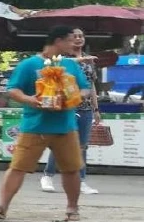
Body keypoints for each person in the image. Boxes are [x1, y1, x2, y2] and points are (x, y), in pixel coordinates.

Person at [0, 26, 90, 222]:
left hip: (65, 126)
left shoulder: (71, 64)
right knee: (18, 167)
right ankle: (2, 207)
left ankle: (72, 209)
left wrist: (73, 97)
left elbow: (84, 89)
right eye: (70, 40)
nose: (74, 43)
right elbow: (13, 89)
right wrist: (31, 100)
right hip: (34, 125)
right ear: (58, 41)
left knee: (71, 169)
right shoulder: (29, 64)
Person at [41, 28, 101, 195]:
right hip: (66, 107)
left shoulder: (89, 62)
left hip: (86, 108)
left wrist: (96, 108)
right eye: (74, 36)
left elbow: (91, 85)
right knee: (61, 143)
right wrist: (82, 59)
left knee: (82, 146)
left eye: (81, 36)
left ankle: (81, 181)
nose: (78, 39)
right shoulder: (64, 58)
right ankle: (48, 175)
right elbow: (55, 67)